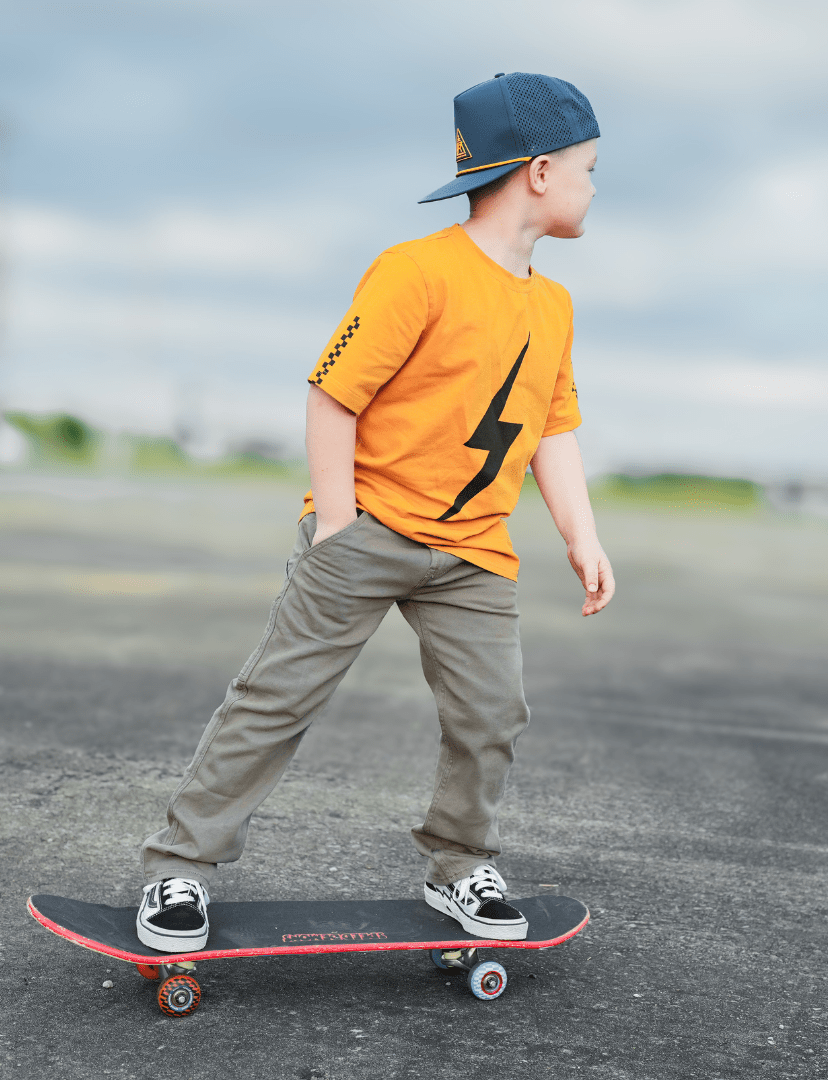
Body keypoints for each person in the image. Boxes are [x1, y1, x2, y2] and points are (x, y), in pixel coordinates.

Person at [136, 72, 615, 953]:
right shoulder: (417, 271)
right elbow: (333, 397)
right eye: (589, 167)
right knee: (277, 699)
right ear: (540, 172)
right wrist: (338, 526)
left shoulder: (554, 304)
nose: (595, 185)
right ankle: (180, 869)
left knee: (493, 715)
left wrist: (582, 537)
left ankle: (461, 863)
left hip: (474, 554)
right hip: (370, 529)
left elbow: (553, 428)